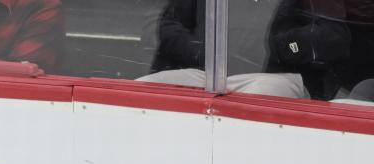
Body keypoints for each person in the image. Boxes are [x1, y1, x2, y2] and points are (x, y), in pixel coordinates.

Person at [139, 0, 349, 100]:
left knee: (254, 102)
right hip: (208, 74)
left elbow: (335, 34)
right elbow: (170, 24)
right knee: (145, 89)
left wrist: (286, 47)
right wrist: (199, 51)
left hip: (276, 76)